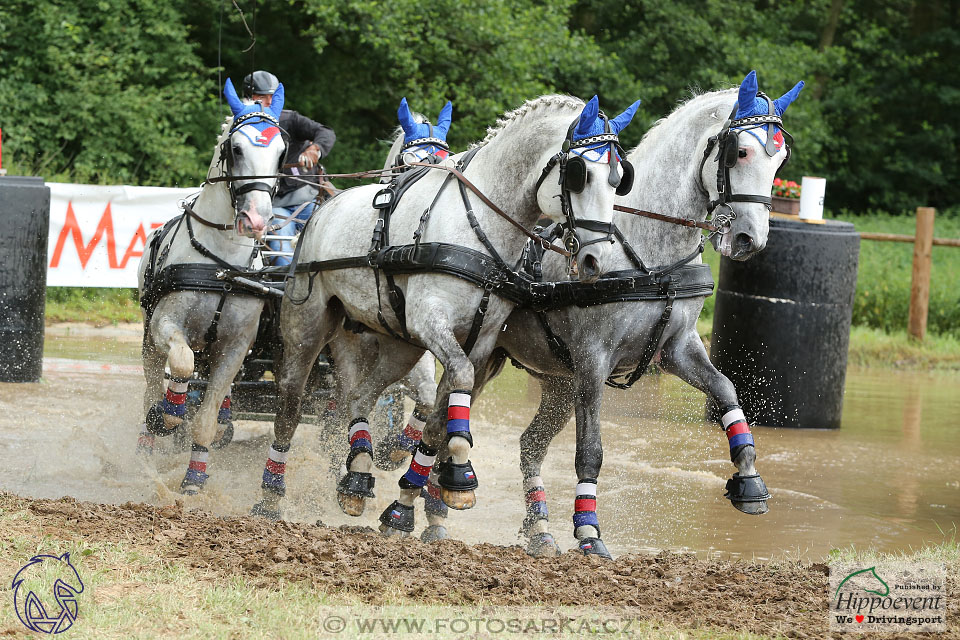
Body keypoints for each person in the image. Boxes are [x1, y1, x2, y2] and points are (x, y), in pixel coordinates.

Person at [243, 70, 336, 265]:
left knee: (333, 236)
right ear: (249, 98)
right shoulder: (242, 130)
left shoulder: (290, 120)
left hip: (309, 199)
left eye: (272, 97)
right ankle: (285, 292)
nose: (268, 102)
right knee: (282, 247)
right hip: (275, 205)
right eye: (262, 97)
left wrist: (314, 149)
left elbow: (325, 132)